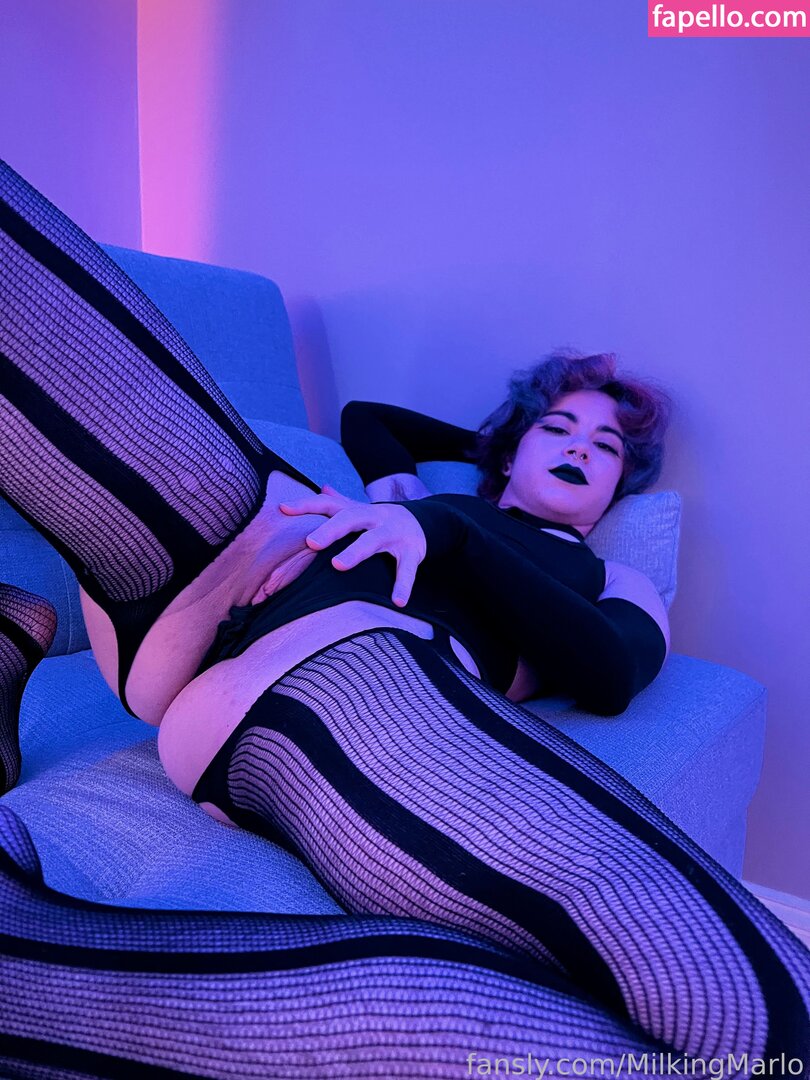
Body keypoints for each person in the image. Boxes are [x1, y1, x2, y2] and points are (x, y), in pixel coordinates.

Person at [0, 157, 808, 1078]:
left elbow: (613, 670)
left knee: (756, 1011)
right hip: (247, 542)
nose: (581, 448)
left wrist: (448, 531)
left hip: (335, 666)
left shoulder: (608, 575)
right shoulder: (416, 495)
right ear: (509, 447)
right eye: (558, 429)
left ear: (623, 485)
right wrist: (482, 458)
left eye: (607, 447)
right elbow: (368, 417)